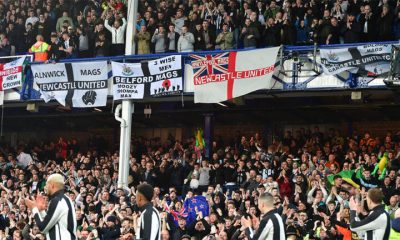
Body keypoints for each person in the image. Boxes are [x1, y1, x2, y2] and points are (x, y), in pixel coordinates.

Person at [24, 173, 77, 240]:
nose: (45, 187)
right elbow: (51, 223)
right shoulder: (65, 199)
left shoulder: (57, 200)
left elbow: (43, 228)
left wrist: (34, 208)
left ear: (52, 185)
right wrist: (41, 210)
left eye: (46, 184)